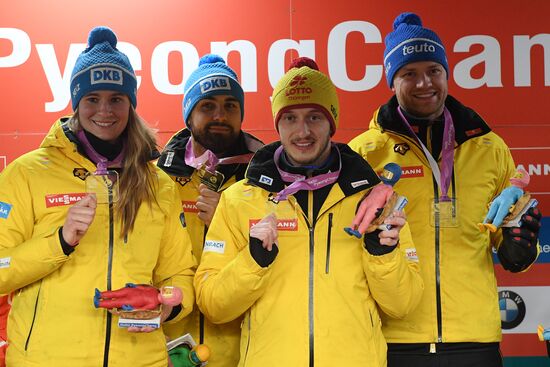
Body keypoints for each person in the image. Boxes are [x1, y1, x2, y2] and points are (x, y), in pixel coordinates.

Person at [194, 57, 423, 367]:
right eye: (290, 118)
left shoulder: (374, 199)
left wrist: (382, 253)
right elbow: (213, 305)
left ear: (331, 121)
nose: (302, 131)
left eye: (315, 116)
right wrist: (253, 261)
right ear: (278, 124)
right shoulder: (240, 199)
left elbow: (404, 305)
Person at [349, 12, 542, 367]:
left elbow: (511, 241)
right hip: (394, 337)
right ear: (392, 80)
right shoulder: (364, 152)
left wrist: (521, 246)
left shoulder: (489, 147)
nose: (424, 83)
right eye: (409, 73)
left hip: (475, 338)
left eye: (433, 71)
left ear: (446, 74)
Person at [0, 26, 196, 367]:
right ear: (77, 102)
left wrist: (165, 300)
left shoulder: (159, 185)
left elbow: (180, 275)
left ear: (130, 104)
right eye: (92, 99)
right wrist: (58, 242)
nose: (104, 110)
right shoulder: (26, 173)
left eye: (116, 99)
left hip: (139, 359)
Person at [157, 54, 263, 366]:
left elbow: (286, 260)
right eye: (207, 105)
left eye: (230, 105)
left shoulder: (267, 175)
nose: (220, 114)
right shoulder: (156, 176)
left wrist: (229, 218)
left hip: (246, 349)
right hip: (171, 348)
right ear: (189, 116)